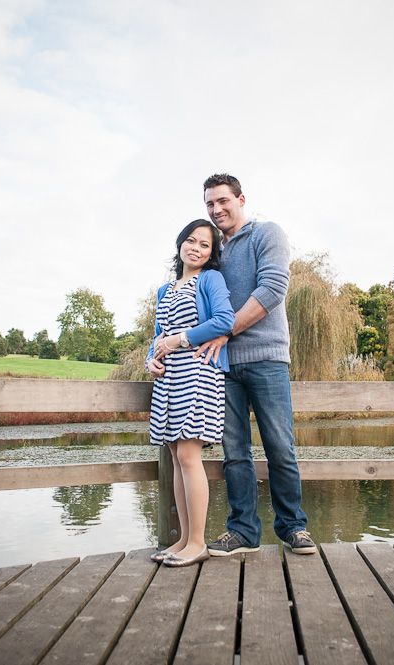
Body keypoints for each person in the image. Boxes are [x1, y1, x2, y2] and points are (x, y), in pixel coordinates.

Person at [195, 173, 315, 556]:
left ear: (241, 199)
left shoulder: (267, 234)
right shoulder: (211, 251)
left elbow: (273, 288)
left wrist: (225, 331)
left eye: (223, 201)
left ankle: (294, 527)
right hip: (223, 365)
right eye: (210, 204)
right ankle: (243, 531)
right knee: (234, 452)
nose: (216, 210)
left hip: (266, 357)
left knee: (280, 447)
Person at [147, 219, 235, 567]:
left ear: (212, 254)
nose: (195, 248)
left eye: (205, 245)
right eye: (191, 240)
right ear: (180, 243)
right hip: (168, 379)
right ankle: (183, 539)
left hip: (199, 372)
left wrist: (178, 340)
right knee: (175, 456)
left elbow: (224, 320)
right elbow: (157, 336)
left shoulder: (210, 279)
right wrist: (150, 360)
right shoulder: (165, 290)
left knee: (188, 456)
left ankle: (197, 542)